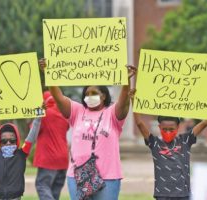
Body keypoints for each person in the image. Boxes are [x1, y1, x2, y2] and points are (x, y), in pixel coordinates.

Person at [39, 58, 136, 200]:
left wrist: (126, 82)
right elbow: (58, 97)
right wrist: (48, 73)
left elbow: (124, 103)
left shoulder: (112, 114)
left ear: (103, 96)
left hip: (107, 177)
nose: (89, 96)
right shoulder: (77, 111)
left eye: (94, 93)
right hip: (77, 176)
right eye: (87, 94)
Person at [132, 90, 207, 200]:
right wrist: (133, 100)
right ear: (159, 128)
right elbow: (139, 123)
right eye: (164, 129)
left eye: (171, 129)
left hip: (183, 194)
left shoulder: (185, 140)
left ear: (177, 128)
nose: (168, 131)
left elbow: (205, 122)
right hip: (162, 194)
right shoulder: (154, 142)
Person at [33, 90, 69, 200]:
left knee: (42, 185)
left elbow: (33, 132)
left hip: (48, 158)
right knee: (54, 192)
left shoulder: (44, 114)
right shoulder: (64, 115)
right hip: (63, 159)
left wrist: (38, 112)